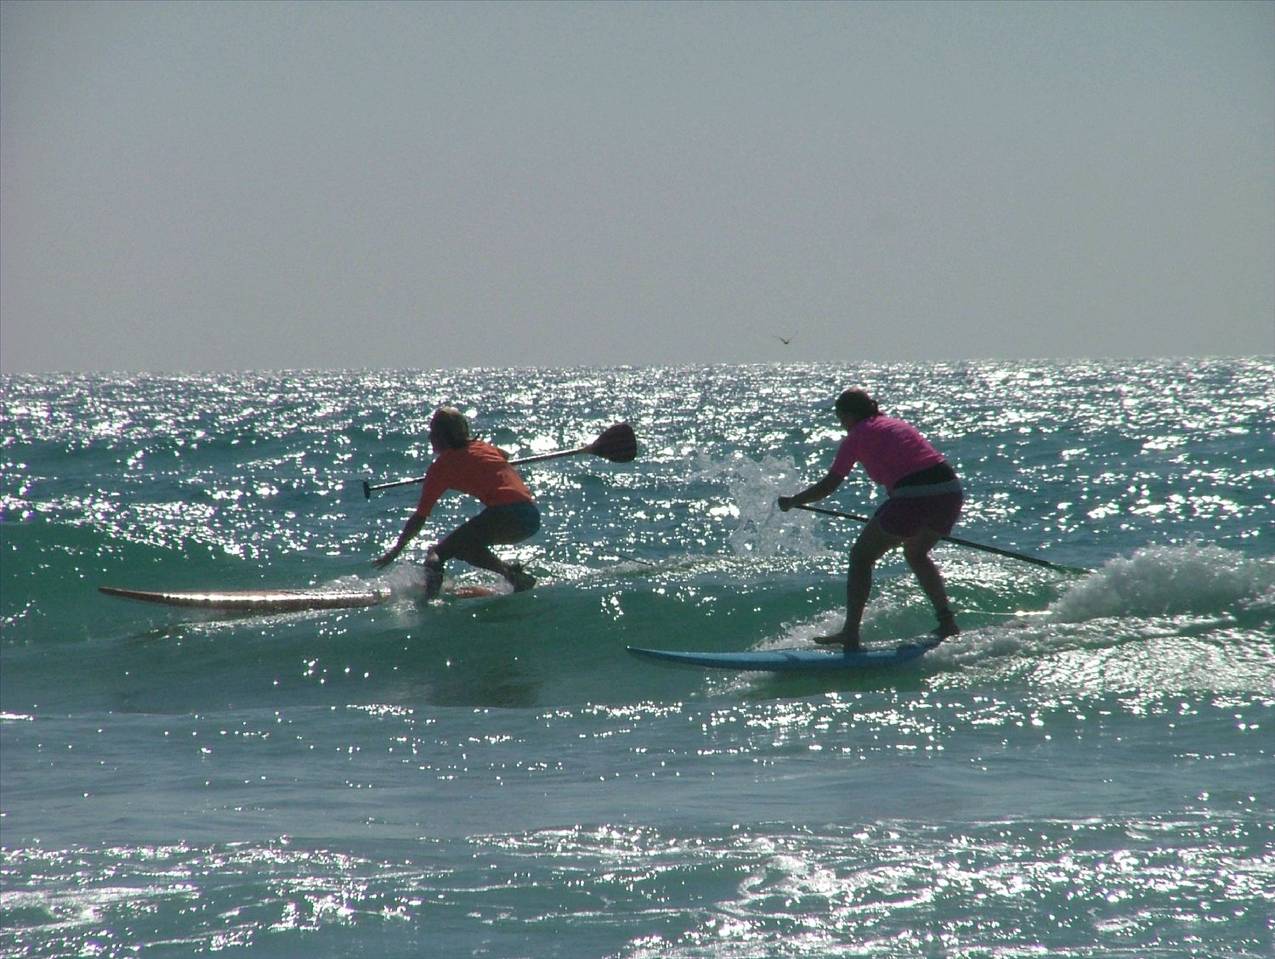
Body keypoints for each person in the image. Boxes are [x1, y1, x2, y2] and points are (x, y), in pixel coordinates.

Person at [778, 388, 963, 649]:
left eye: (840, 418)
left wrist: (794, 501)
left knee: (861, 557)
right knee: (916, 553)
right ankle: (947, 622)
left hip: (913, 497)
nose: (841, 424)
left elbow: (829, 485)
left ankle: (850, 633)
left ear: (849, 415)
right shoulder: (896, 424)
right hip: (950, 493)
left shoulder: (856, 437)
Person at [374, 407, 539, 597]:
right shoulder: (483, 447)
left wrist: (396, 550)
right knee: (464, 548)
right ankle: (514, 576)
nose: (429, 438)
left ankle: (429, 602)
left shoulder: (440, 469)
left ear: (443, 436)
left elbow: (420, 517)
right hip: (530, 516)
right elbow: (504, 456)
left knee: (437, 554)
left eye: (433, 433)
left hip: (506, 513)